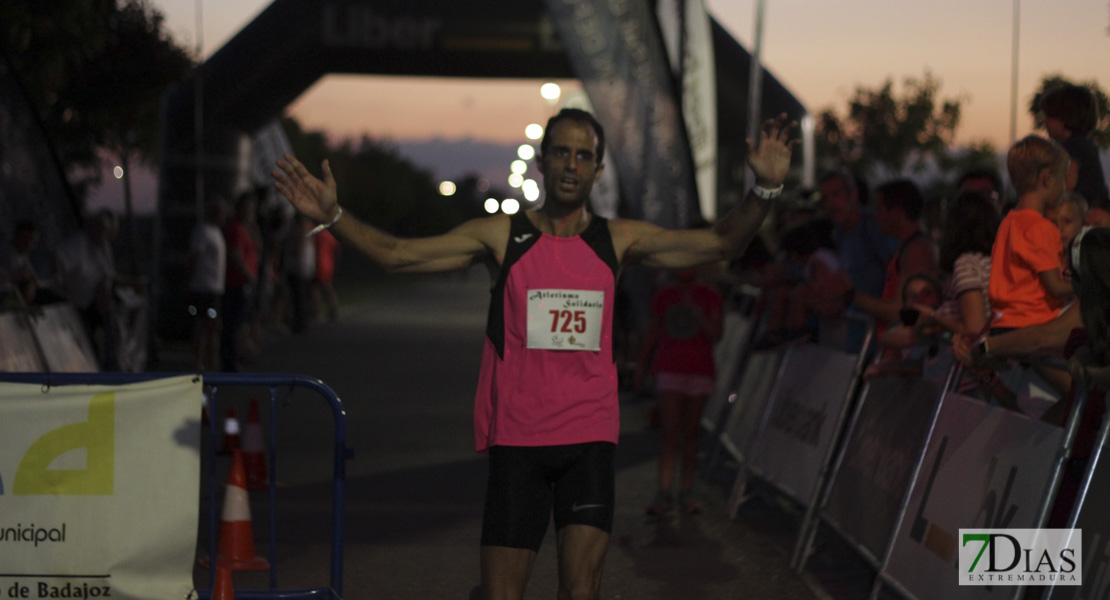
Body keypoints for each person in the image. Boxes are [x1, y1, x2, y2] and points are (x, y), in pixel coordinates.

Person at [273, 108, 797, 600]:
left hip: (589, 440)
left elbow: (720, 245)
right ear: (543, 159)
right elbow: (397, 256)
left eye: (583, 155)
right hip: (518, 441)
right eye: (561, 152)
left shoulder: (619, 240)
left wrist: (766, 188)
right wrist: (333, 215)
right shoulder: (504, 236)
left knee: (581, 591)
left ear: (598, 169)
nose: (571, 164)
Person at [634, 264, 722, 517]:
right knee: (670, 432)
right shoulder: (665, 294)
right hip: (670, 368)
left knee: (691, 433)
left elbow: (716, 334)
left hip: (699, 370)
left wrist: (697, 312)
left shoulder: (709, 294)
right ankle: (664, 491)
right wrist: (641, 366)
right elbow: (652, 331)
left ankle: (687, 491)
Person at [988, 135, 1074, 334]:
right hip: (1034, 324)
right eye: (1062, 179)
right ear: (1047, 178)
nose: (1064, 187)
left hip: (1003, 323)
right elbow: (1055, 287)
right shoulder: (1041, 228)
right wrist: (1091, 285)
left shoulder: (1008, 222)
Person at [837, 179, 939, 332]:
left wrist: (851, 295)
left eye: (879, 209)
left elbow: (900, 311)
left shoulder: (917, 250)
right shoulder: (907, 247)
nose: (876, 215)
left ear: (896, 213)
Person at [1039, 83, 1110, 224]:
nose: (1045, 121)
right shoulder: (1085, 144)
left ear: (1065, 117)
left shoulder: (1071, 147)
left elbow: (1068, 182)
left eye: (1049, 115)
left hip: (1086, 213)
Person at [187, 198, 228, 372]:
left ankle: (212, 362)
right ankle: (199, 363)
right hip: (204, 286)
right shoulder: (203, 231)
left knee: (213, 326)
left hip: (215, 287)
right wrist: (189, 279)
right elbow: (195, 256)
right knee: (204, 325)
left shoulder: (216, 232)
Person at [222, 192, 260, 371]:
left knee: (239, 323)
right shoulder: (236, 228)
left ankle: (236, 356)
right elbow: (235, 255)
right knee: (233, 324)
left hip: (241, 282)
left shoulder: (245, 228)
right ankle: (229, 361)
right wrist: (248, 275)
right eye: (248, 208)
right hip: (236, 283)